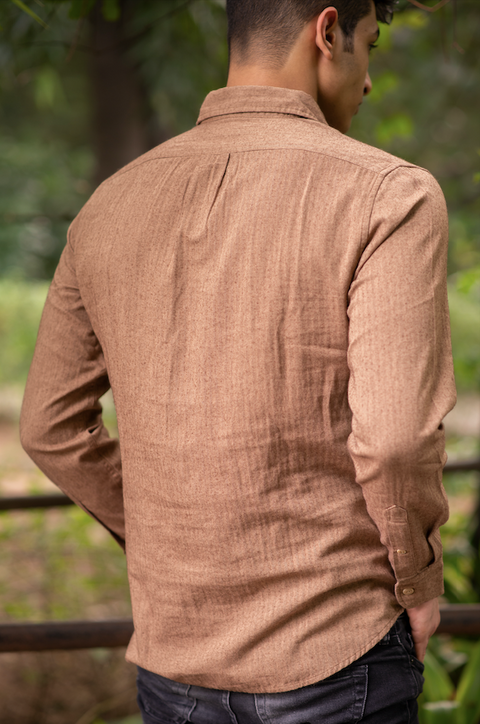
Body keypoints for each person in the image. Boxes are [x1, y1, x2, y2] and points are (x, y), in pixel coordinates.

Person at [20, 0, 457, 721]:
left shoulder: (108, 205)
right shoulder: (390, 195)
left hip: (174, 662)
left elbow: (47, 426)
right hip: (335, 648)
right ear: (327, 32)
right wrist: (418, 583)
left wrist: (179, 536)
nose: (371, 78)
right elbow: (396, 439)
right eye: (370, 44)